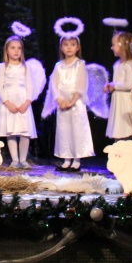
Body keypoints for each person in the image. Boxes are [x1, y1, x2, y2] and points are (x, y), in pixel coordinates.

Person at [0, 36, 39, 169]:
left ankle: (23, 160)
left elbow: (30, 86)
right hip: (9, 101)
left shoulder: (26, 67)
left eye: (19, 48)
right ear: (7, 50)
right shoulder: (2, 67)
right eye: (13, 48)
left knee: (24, 131)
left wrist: (27, 102)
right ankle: (14, 160)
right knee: (11, 131)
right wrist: (7, 103)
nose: (16, 51)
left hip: (23, 101)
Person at [49, 32, 93, 172]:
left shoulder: (80, 64)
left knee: (77, 130)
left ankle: (77, 160)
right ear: (61, 47)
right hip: (62, 105)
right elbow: (54, 84)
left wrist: (72, 101)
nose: (69, 47)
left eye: (72, 45)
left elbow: (81, 84)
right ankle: (66, 159)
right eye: (66, 45)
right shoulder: (58, 66)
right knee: (64, 131)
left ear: (77, 47)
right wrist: (59, 100)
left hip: (76, 104)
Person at [104, 30, 132, 140]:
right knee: (117, 130)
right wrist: (111, 85)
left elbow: (129, 85)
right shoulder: (117, 64)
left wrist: (115, 86)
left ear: (122, 46)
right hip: (118, 101)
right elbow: (118, 81)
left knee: (125, 129)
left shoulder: (130, 64)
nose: (111, 47)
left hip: (125, 102)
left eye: (113, 45)